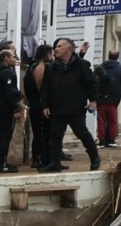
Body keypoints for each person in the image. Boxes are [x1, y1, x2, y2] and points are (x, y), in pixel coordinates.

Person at [39, 36, 100, 172]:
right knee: (55, 137)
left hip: (75, 108)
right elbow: (46, 88)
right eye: (56, 47)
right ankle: (55, 163)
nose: (56, 49)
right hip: (57, 108)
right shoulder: (52, 67)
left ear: (69, 48)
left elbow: (91, 83)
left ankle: (95, 157)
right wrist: (45, 105)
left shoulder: (82, 65)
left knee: (82, 133)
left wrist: (93, 100)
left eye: (60, 46)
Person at [0, 47, 24, 173]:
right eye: (13, 57)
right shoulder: (6, 72)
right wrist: (15, 109)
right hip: (4, 108)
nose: (15, 59)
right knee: (4, 136)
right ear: (6, 59)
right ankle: (1, 164)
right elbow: (8, 92)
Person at [22, 45, 51, 171]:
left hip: (33, 103)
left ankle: (35, 159)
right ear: (47, 55)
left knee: (37, 133)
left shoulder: (31, 69)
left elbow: (27, 87)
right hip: (45, 104)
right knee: (47, 133)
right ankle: (45, 159)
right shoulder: (48, 68)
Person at [95, 48, 121, 147]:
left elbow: (94, 83)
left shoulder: (100, 68)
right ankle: (111, 140)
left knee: (101, 121)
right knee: (113, 120)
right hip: (113, 99)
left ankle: (101, 140)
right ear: (118, 56)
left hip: (100, 99)